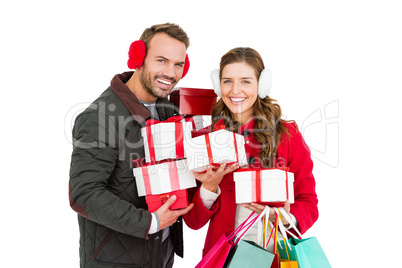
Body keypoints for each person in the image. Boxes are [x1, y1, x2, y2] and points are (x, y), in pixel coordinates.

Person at [69, 23, 194, 268]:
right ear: (138, 58)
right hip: (115, 260)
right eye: (161, 60)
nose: (170, 72)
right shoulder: (100, 117)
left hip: (161, 254)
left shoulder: (169, 110)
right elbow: (84, 194)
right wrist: (150, 222)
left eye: (178, 64)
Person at [183, 47, 319, 255]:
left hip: (273, 255)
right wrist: (209, 187)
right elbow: (193, 222)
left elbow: (308, 201)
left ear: (261, 85)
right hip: (221, 258)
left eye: (245, 81)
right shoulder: (204, 140)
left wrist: (285, 218)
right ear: (218, 86)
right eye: (227, 81)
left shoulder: (287, 135)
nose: (235, 90)